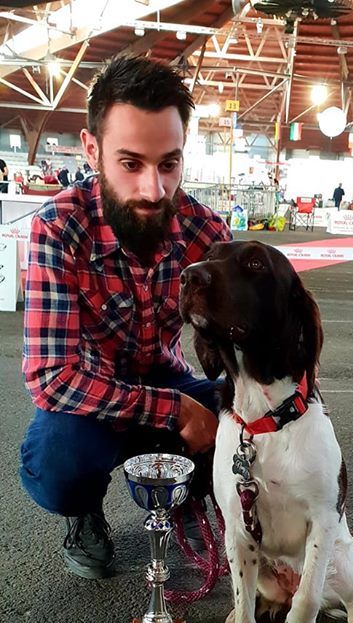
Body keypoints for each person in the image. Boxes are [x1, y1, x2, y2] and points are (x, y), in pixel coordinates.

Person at [20, 56, 232, 580]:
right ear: (92, 150)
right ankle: (84, 512)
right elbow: (52, 378)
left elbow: (250, 344)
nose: (153, 191)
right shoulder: (58, 230)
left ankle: (190, 489)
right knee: (57, 466)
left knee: (251, 420)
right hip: (91, 396)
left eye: (169, 164)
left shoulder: (205, 232)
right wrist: (176, 411)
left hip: (165, 376)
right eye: (131, 163)